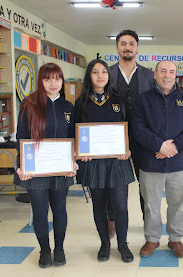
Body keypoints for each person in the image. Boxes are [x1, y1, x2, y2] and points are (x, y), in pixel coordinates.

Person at [132, 60, 183, 258]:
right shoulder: (143, 99)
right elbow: (137, 127)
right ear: (155, 74)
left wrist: (175, 146)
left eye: (171, 72)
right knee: (151, 204)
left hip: (177, 164)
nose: (167, 75)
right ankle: (152, 239)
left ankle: (175, 238)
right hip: (150, 162)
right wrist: (159, 146)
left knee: (177, 203)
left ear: (176, 75)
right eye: (163, 71)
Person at [14, 63, 77, 268]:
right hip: (36, 170)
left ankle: (59, 248)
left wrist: (74, 159)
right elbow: (22, 138)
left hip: (61, 169)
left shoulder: (68, 107)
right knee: (40, 211)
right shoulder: (29, 104)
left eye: (57, 79)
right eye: (48, 79)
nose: (53, 83)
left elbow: (73, 139)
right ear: (40, 81)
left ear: (62, 81)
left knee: (59, 209)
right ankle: (44, 250)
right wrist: (21, 165)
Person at [74, 59, 135, 263]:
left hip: (118, 160)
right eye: (95, 72)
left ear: (109, 76)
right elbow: (77, 132)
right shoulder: (81, 102)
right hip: (93, 162)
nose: (100, 76)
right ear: (89, 76)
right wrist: (81, 152)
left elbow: (129, 128)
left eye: (104, 72)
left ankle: (123, 244)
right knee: (98, 205)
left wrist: (127, 148)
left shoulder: (118, 99)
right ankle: (104, 244)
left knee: (120, 206)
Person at [107, 29, 155, 236]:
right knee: (113, 182)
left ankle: (149, 221)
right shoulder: (106, 74)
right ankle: (112, 220)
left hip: (143, 139)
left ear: (137, 48)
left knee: (146, 182)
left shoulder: (149, 75)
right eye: (123, 43)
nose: (127, 47)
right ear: (117, 47)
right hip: (113, 140)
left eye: (131, 44)